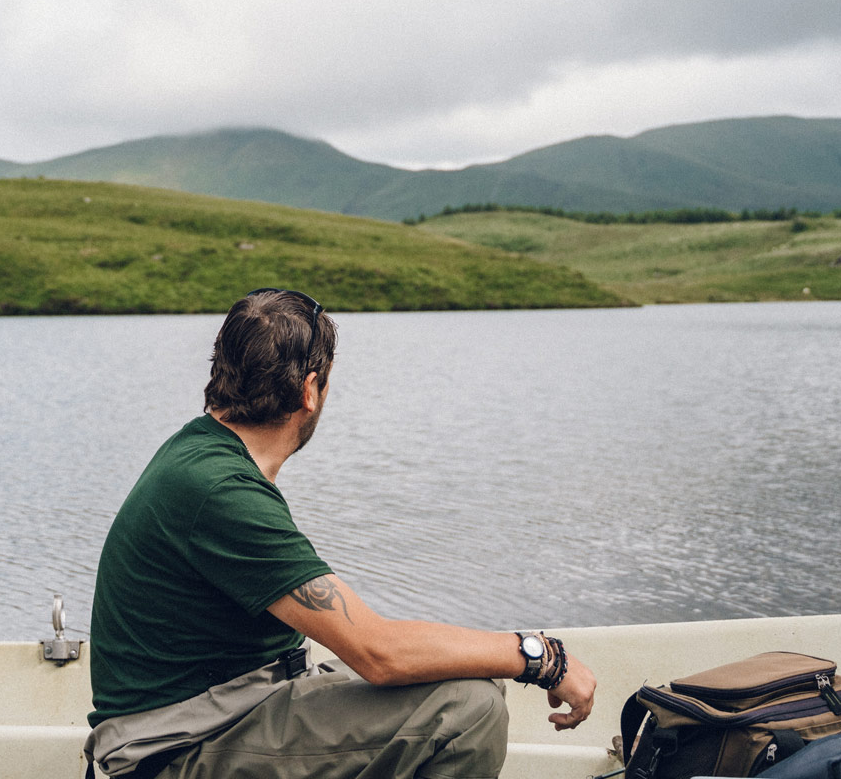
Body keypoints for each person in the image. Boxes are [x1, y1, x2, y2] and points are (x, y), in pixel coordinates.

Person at [85, 288, 597, 779]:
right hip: (177, 751)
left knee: (464, 676)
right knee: (470, 708)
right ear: (310, 390)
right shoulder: (217, 490)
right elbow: (378, 653)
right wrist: (539, 656)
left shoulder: (202, 454)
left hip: (232, 706)